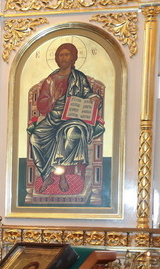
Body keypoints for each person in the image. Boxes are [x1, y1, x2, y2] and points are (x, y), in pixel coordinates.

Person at [28, 42, 104, 193]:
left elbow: (88, 94)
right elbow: (42, 106)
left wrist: (94, 98)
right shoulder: (50, 80)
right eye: (61, 55)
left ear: (73, 57)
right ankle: (46, 175)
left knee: (71, 134)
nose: (63, 58)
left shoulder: (79, 78)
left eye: (67, 55)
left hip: (73, 117)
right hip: (53, 118)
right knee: (35, 138)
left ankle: (61, 176)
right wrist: (53, 99)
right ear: (57, 58)